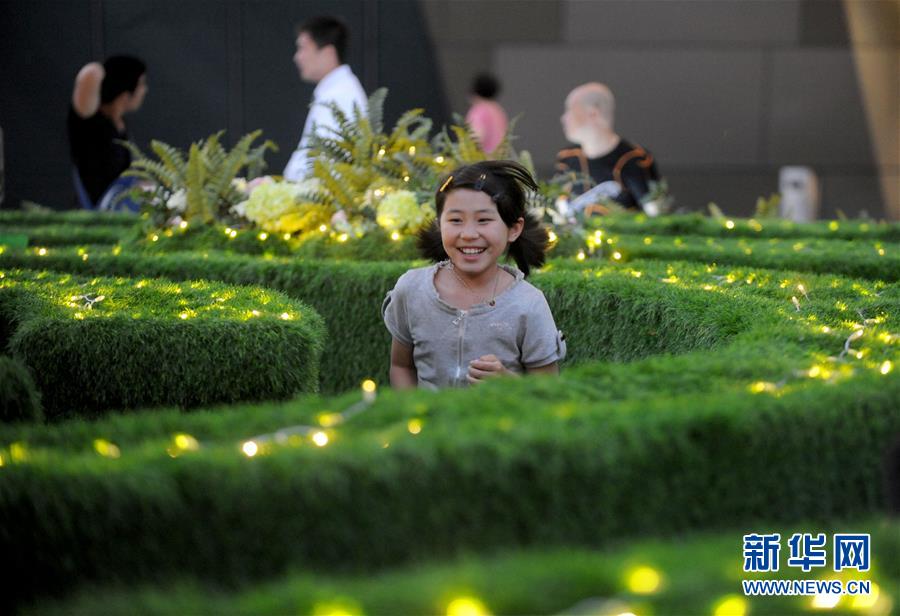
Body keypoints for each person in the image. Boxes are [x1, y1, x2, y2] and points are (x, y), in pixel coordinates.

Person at [383, 160, 566, 390]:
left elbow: (549, 392)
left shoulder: (528, 304)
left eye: (484, 220)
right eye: (456, 220)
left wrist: (507, 383)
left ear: (513, 229)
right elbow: (402, 367)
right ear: (440, 224)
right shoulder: (411, 289)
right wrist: (412, 418)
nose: (469, 234)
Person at [283, 15, 367, 181]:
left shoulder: (341, 96)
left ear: (328, 53)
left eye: (303, 48)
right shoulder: (335, 92)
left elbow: (325, 167)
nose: (297, 57)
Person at [557, 82, 660, 214]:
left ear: (593, 114)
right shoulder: (567, 158)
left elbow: (656, 215)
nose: (564, 118)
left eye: (570, 110)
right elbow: (559, 209)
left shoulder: (634, 160)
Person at [68, 55, 147, 209]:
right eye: (142, 84)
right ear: (126, 93)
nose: (145, 90)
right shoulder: (89, 124)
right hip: (98, 220)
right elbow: (91, 73)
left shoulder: (121, 125)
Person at [465, 73, 508, 155]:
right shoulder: (497, 109)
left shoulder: (479, 110)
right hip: (499, 160)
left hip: (484, 162)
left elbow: (475, 139)